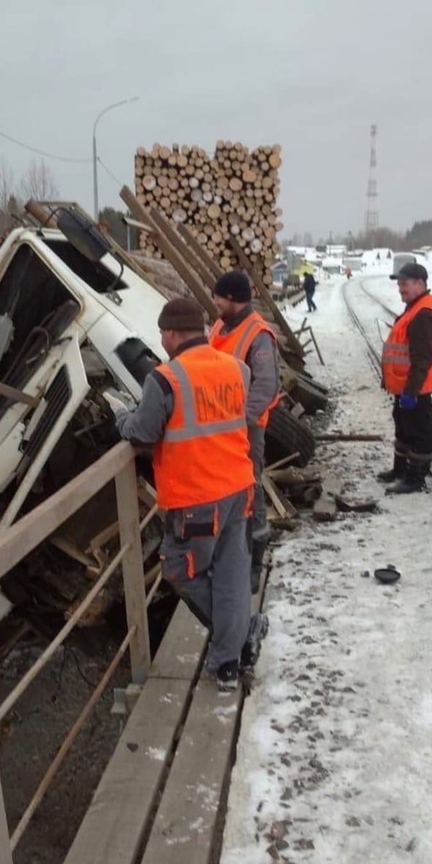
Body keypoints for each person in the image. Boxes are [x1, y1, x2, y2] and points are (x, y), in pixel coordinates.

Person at [109, 296, 266, 691]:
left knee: (180, 571)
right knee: (231, 575)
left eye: (163, 332)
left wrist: (121, 416)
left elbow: (144, 432)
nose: (161, 339)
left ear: (172, 333)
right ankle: (230, 658)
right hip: (239, 488)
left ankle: (238, 636)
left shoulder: (165, 378)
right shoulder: (237, 368)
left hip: (196, 497)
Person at [208, 271, 281, 593]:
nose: (215, 302)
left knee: (250, 492)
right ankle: (227, 554)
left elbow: (266, 387)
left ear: (234, 299)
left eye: (219, 297)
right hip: (215, 428)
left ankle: (255, 560)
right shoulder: (220, 326)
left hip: (245, 431)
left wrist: (239, 422)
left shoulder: (258, 335)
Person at [378, 263, 432, 494]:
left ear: (420, 283)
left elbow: (422, 360)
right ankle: (401, 470)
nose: (400, 289)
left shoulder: (423, 314)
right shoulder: (415, 307)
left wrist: (410, 391)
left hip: (415, 388)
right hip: (405, 386)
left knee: (419, 432)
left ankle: (415, 478)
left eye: (404, 284)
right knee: (404, 428)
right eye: (399, 284)